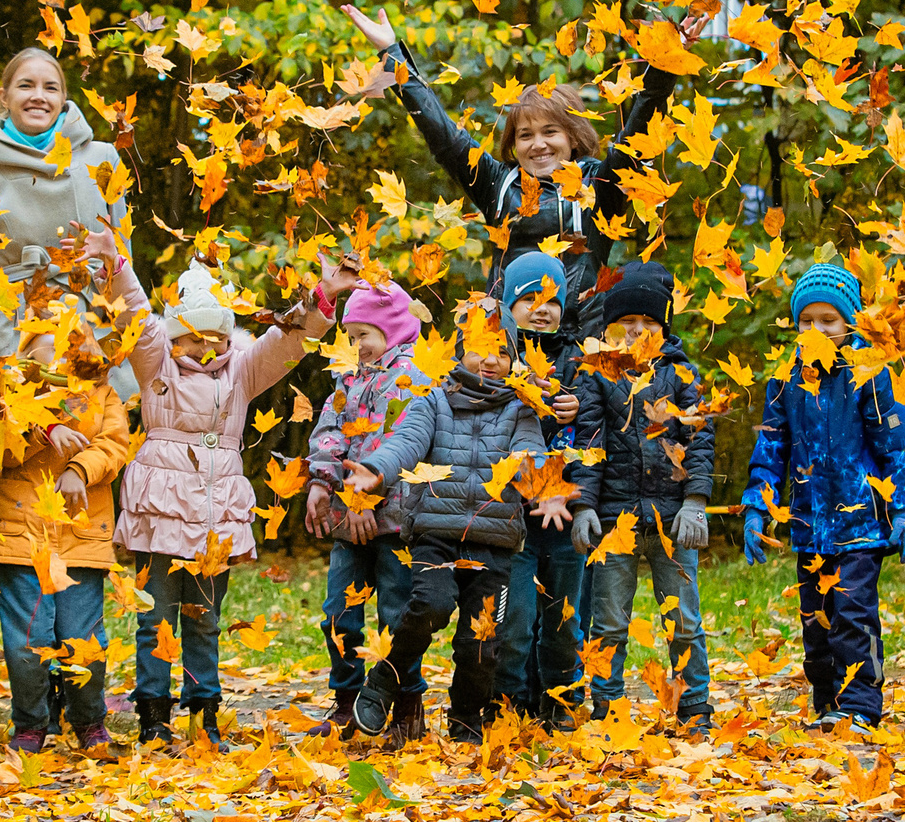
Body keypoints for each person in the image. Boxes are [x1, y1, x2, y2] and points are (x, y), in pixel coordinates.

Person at [112, 246, 355, 751]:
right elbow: (137, 314)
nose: (205, 349)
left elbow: (286, 340)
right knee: (155, 617)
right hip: (160, 507)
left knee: (204, 618)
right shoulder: (156, 363)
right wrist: (116, 266)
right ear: (174, 334)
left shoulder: (240, 372)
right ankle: (153, 717)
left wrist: (324, 295)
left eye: (216, 337)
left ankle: (205, 715)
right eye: (193, 338)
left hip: (214, 509)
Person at [335, 1, 680, 333]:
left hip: (577, 344)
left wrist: (663, 66)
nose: (538, 144)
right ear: (513, 144)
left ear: (573, 137)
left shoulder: (598, 182)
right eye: (525, 135)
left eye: (550, 132)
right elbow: (443, 135)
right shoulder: (497, 183)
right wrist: (393, 53)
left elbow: (636, 137)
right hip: (502, 344)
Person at [344, 299, 571, 744]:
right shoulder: (433, 402)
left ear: (513, 360)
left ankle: (466, 719)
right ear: (460, 351)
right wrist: (377, 470)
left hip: (495, 541)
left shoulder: (522, 410)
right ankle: (384, 680)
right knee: (430, 606)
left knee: (482, 640)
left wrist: (548, 487)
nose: (490, 359)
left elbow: (532, 454)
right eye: (480, 347)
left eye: (502, 351)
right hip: (437, 535)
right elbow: (405, 444)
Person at [741, 261, 905, 731]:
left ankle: (860, 705)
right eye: (807, 320)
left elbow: (897, 444)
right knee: (816, 621)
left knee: (852, 614)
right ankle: (828, 703)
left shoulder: (871, 372)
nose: (817, 329)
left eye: (829, 320)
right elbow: (771, 445)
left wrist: (902, 510)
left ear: (849, 323)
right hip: (807, 523)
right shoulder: (785, 377)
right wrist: (758, 505)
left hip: (860, 521)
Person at [0, 282, 132, 759]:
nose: (57, 365)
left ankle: (88, 719)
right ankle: (30, 721)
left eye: (67, 350)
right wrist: (46, 429)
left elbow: (116, 444)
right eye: (46, 352)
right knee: (28, 643)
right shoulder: (6, 391)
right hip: (20, 537)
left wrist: (80, 469)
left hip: (80, 535)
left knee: (82, 639)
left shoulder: (100, 392)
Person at [571, 260, 715, 727]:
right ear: (609, 326)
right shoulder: (594, 375)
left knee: (684, 621)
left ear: (663, 325)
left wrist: (695, 501)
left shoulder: (683, 375)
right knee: (609, 621)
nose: (637, 331)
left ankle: (694, 705)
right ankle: (607, 705)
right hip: (615, 521)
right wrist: (583, 507)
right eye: (626, 323)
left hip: (673, 520)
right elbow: (588, 443)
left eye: (648, 322)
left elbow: (700, 442)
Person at [303, 275, 432, 736]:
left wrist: (366, 496)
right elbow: (329, 433)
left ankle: (405, 702)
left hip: (396, 519)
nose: (357, 345)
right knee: (339, 612)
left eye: (365, 335)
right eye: (351, 336)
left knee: (397, 616)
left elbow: (401, 443)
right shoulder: (346, 378)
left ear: (393, 329)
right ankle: (347, 700)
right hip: (347, 522)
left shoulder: (413, 379)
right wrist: (321, 482)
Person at [0, 49, 131, 377]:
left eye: (50, 87)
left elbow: (122, 257)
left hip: (95, 326)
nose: (39, 96)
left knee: (104, 426)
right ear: (4, 96)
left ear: (64, 97)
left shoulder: (102, 158)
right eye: (26, 86)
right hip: (16, 335)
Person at [500, 253, 598, 727]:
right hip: (513, 512)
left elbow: (599, 426)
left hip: (565, 509)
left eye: (551, 300)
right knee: (515, 619)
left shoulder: (579, 361)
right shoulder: (497, 360)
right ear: (508, 304)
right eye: (528, 299)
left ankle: (560, 699)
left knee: (563, 617)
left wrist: (580, 407)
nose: (541, 309)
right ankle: (512, 701)